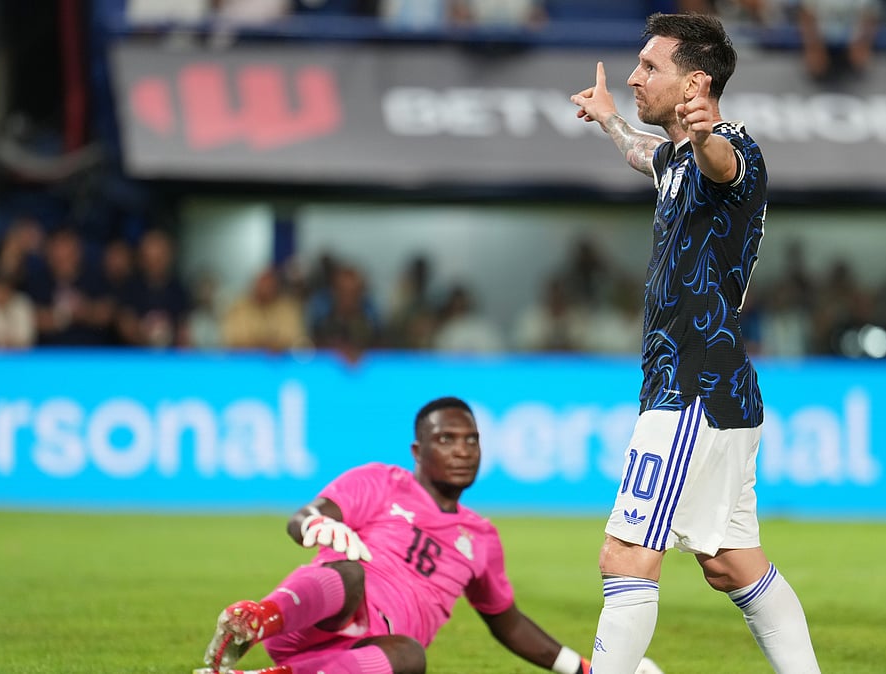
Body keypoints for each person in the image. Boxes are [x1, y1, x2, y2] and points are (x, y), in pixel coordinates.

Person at [569, 13, 820, 673]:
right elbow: (646, 154)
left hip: (693, 389)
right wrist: (608, 121)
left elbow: (726, 166)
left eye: (650, 66)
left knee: (624, 556)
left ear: (697, 83)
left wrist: (707, 134)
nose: (633, 77)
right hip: (718, 386)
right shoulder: (676, 157)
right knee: (731, 565)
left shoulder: (728, 147)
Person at [199, 396, 661, 674]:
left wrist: (583, 668)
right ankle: (255, 619)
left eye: (471, 440)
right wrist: (317, 525)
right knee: (348, 574)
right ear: (418, 451)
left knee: (412, 658)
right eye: (447, 440)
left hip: (366, 655)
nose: (463, 451)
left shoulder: (481, 537)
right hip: (313, 619)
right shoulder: (380, 481)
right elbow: (305, 517)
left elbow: (508, 623)